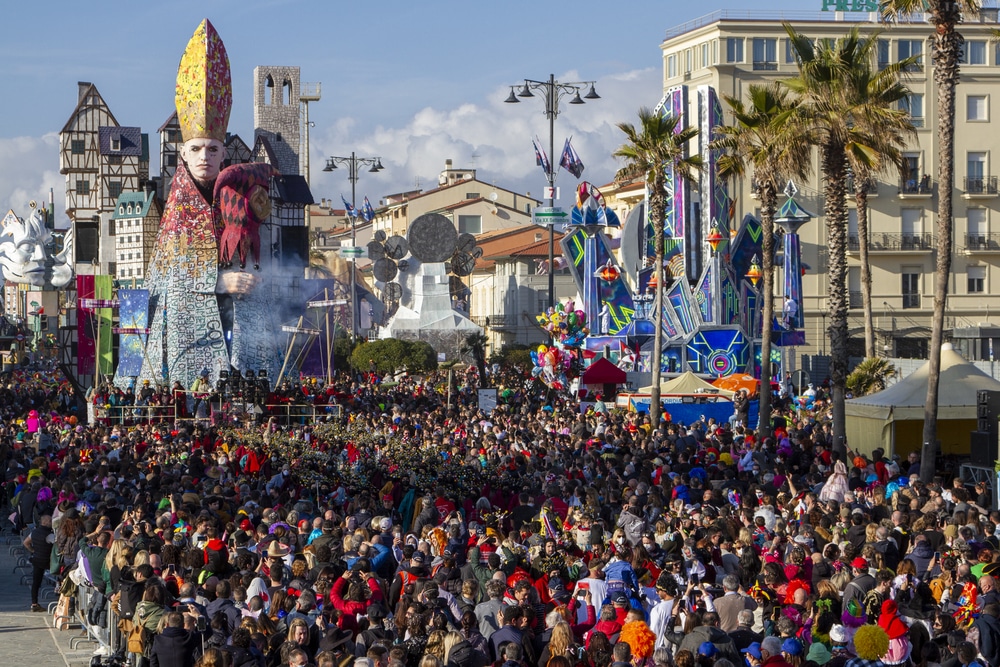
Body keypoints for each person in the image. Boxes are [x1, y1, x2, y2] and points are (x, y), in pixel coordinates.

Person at [122, 19, 279, 392]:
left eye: (212, 149)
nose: (204, 157)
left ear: (224, 151)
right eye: (196, 149)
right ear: (183, 153)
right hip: (183, 349)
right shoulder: (177, 217)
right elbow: (168, 283)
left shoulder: (235, 201)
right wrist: (219, 281)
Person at [23, 513, 54, 612]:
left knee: (36, 582)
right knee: (60, 576)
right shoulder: (50, 535)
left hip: (37, 559)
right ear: (45, 522)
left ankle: (34, 603)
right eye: (50, 521)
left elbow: (26, 542)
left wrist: (33, 550)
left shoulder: (34, 532)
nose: (51, 523)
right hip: (48, 561)